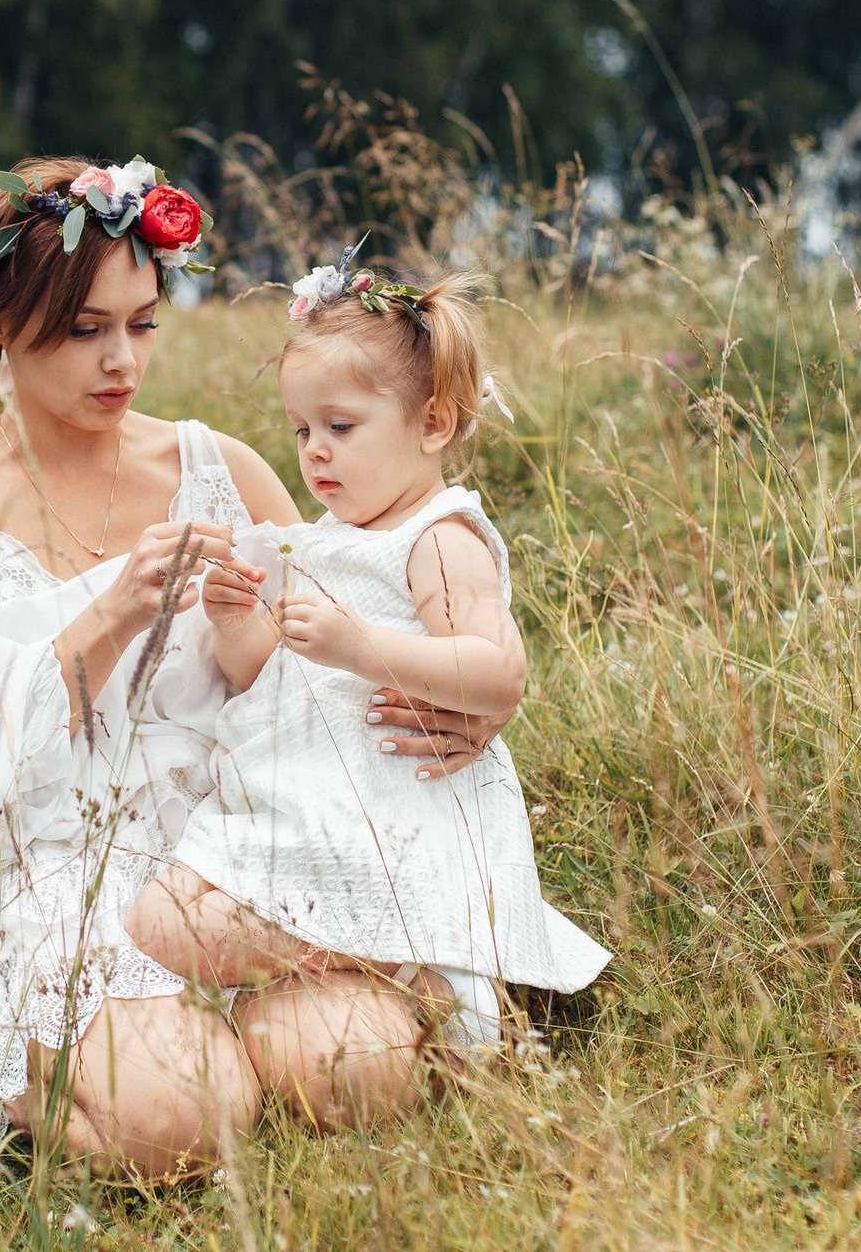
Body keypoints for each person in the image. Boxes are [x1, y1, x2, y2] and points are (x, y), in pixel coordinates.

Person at [0, 159, 514, 1178]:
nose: (122, 361)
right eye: (84, 331)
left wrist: (453, 706)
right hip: (40, 877)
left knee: (359, 1067)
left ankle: (204, 1052)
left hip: (227, 866)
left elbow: (328, 652)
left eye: (142, 323)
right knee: (186, 1117)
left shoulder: (221, 468)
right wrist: (115, 613)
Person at [127, 263, 610, 1130]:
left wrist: (361, 646)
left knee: (167, 920)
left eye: (341, 426)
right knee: (159, 918)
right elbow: (269, 680)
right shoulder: (327, 538)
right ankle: (377, 959)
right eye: (303, 427)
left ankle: (402, 955)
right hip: (311, 806)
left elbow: (496, 670)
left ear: (432, 424)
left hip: (394, 804)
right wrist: (240, 623)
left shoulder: (441, 537)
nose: (313, 450)